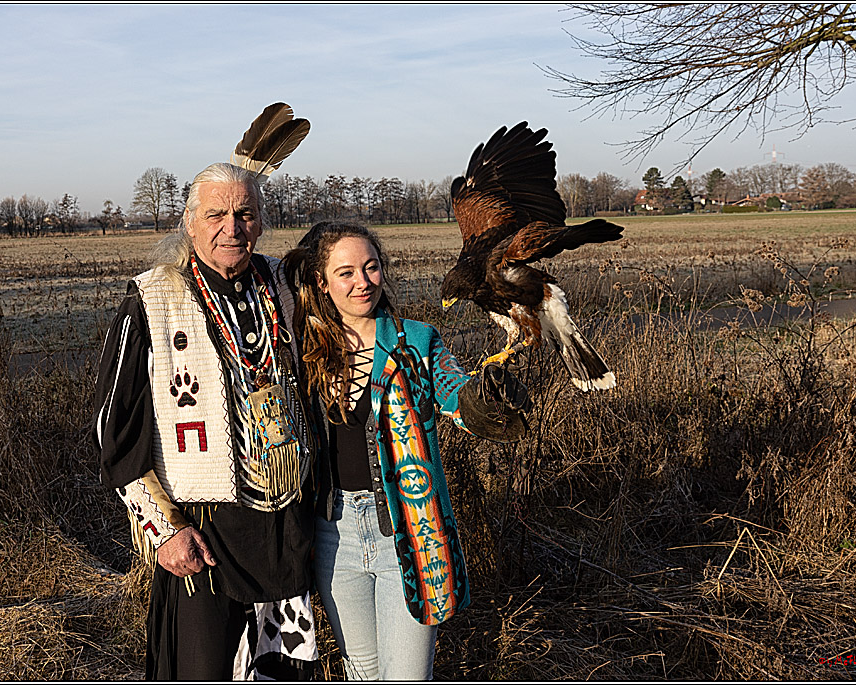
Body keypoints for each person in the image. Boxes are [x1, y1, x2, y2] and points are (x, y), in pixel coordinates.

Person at [93, 162, 318, 680]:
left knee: (281, 668)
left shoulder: (287, 287)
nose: (231, 227)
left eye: (245, 213)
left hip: (284, 530)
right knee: (202, 669)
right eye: (216, 214)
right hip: (201, 532)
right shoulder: (152, 298)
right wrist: (163, 530)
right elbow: (113, 428)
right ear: (190, 224)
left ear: (261, 222)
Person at [283, 221, 531, 680]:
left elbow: (457, 398)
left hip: (410, 532)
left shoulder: (416, 340)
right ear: (321, 281)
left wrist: (489, 395)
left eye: (371, 267)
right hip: (332, 537)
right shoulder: (305, 348)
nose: (363, 282)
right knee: (362, 673)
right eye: (346, 272)